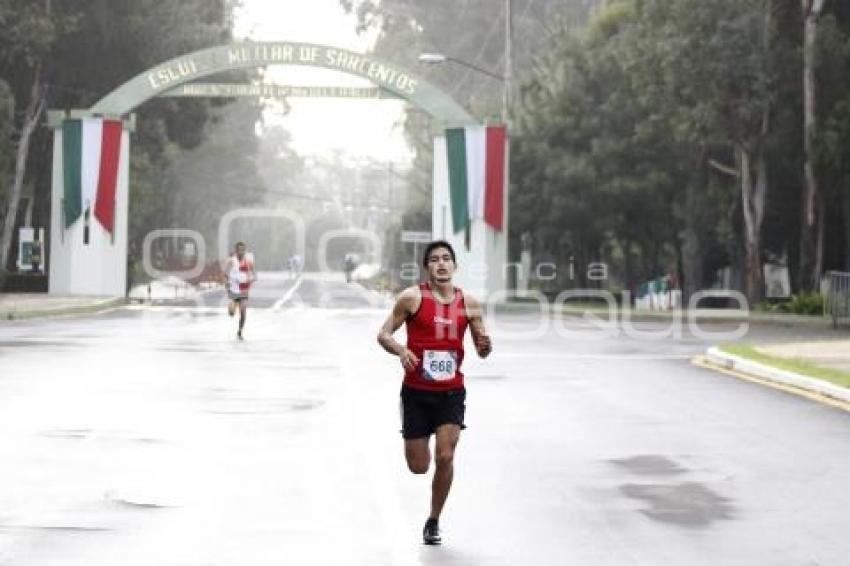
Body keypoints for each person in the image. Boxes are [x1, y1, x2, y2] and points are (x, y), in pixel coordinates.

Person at [376, 240, 492, 545]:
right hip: (416, 392)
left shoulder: (470, 303)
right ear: (427, 267)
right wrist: (401, 350)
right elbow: (383, 334)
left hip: (451, 393)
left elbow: (482, 348)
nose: (441, 264)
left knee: (446, 454)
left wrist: (485, 346)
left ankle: (433, 520)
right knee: (419, 466)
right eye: (435, 260)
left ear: (454, 266)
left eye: (446, 259)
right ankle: (419, 451)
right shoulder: (412, 298)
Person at [223, 242, 256, 340]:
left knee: (243, 311)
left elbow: (254, 274)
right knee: (232, 313)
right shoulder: (231, 261)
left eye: (243, 250)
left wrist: (251, 279)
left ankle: (240, 331)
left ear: (245, 251)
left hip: (244, 288)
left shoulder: (249, 261)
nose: (241, 252)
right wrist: (226, 283)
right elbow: (225, 274)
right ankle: (232, 305)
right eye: (239, 250)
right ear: (236, 251)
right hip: (233, 289)